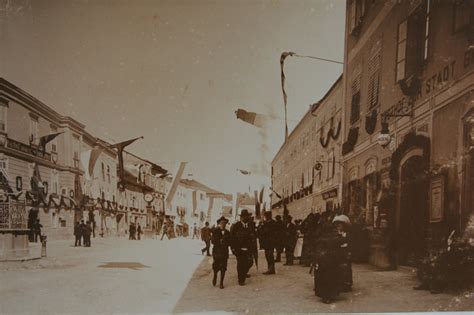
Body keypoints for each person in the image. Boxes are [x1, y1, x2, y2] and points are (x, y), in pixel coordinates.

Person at [313, 212, 344, 304]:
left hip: (325, 257)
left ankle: (325, 295)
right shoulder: (330, 233)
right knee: (329, 276)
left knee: (324, 276)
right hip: (329, 258)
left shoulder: (322, 232)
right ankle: (328, 295)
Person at [230, 209, 256, 285]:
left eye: (246, 216)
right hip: (239, 249)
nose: (245, 218)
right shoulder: (236, 226)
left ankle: (244, 272)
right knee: (240, 263)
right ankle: (241, 280)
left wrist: (253, 247)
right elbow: (232, 238)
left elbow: (254, 236)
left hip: (249, 248)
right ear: (241, 217)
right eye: (243, 217)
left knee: (250, 262)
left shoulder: (251, 225)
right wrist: (233, 248)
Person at [333, 214, 353, 292]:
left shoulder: (347, 234)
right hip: (338, 253)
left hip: (345, 252)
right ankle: (339, 283)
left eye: (340, 225)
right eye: (337, 225)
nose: (338, 226)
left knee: (347, 268)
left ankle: (347, 284)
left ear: (344, 226)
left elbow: (350, 243)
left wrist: (349, 251)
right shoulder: (335, 234)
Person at [211, 216, 231, 289]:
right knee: (215, 267)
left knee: (223, 267)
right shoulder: (215, 231)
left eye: (225, 223)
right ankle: (215, 276)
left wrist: (226, 242)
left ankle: (221, 282)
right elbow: (212, 241)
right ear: (219, 223)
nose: (223, 224)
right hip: (216, 252)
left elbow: (230, 242)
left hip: (224, 253)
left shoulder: (228, 233)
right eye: (222, 223)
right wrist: (219, 241)